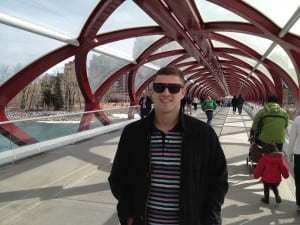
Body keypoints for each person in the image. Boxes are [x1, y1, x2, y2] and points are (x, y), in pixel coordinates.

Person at [108, 66, 228, 225]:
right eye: (159, 87)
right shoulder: (133, 134)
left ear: (183, 93)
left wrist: (210, 218)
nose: (166, 93)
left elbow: (218, 181)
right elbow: (118, 178)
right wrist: (129, 216)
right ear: (152, 92)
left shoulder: (203, 135)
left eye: (173, 88)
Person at [288, 115, 300, 211]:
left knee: (299, 180)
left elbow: (291, 139)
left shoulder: (297, 120)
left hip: (299, 155)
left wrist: (289, 154)